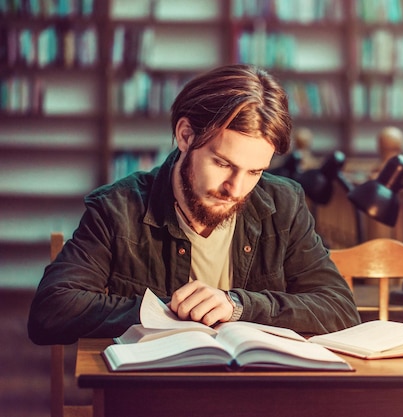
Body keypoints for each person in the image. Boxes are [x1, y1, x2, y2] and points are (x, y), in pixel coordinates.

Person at [28, 64, 361, 345]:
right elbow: (51, 312)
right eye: (222, 163)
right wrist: (165, 313)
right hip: (155, 398)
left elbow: (339, 309)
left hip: (259, 395)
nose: (236, 188)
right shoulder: (118, 208)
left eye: (255, 171)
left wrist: (237, 306)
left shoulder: (284, 203)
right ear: (186, 135)